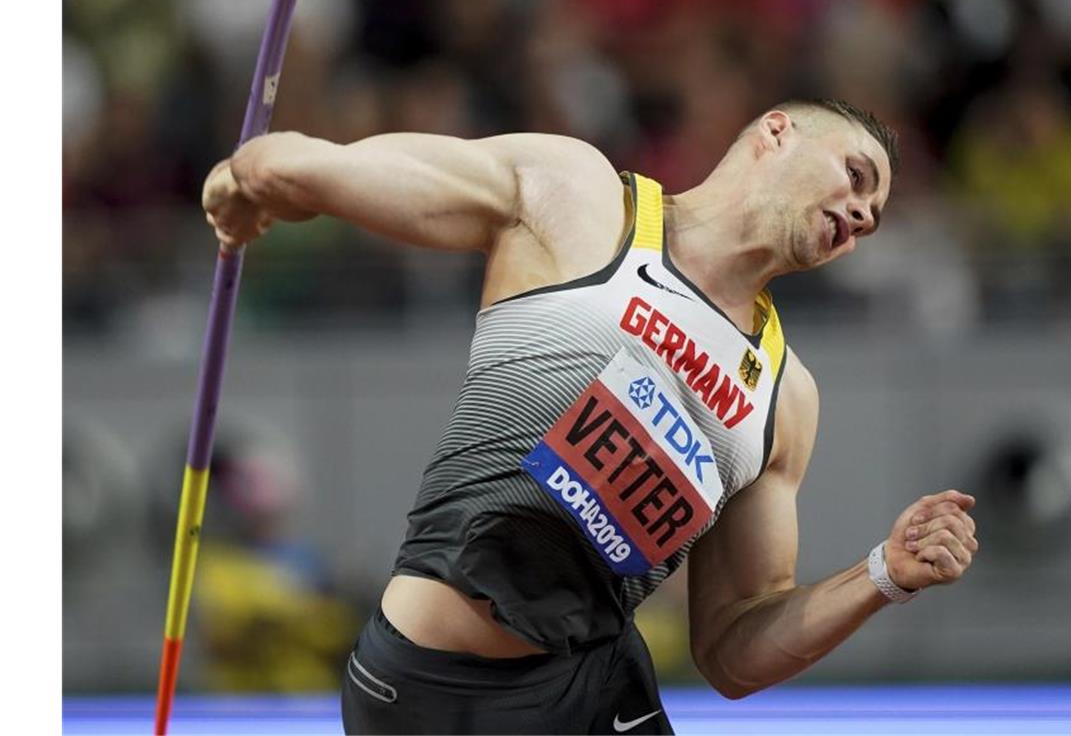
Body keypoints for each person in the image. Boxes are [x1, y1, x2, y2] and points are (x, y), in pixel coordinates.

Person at [202, 98, 980, 735]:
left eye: (872, 215)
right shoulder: (577, 197)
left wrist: (883, 576)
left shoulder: (784, 395)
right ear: (776, 130)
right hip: (429, 689)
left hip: (589, 688)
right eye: (855, 175)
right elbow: (316, 168)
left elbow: (732, 652)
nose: (861, 213)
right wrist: (251, 177)